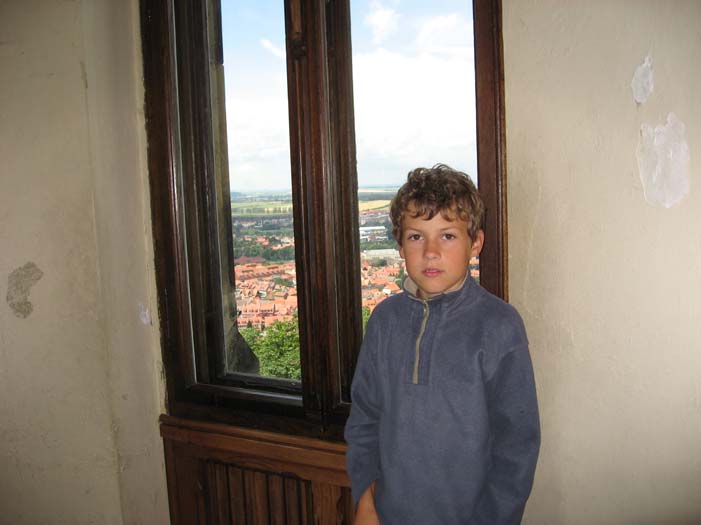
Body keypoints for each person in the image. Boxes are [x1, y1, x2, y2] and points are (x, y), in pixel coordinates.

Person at [345, 164, 540, 524]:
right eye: (416, 236)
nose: (431, 251)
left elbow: (516, 445)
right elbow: (365, 419)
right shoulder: (384, 321)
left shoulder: (499, 327)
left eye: (447, 236)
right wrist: (364, 497)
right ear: (400, 245)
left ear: (475, 243)